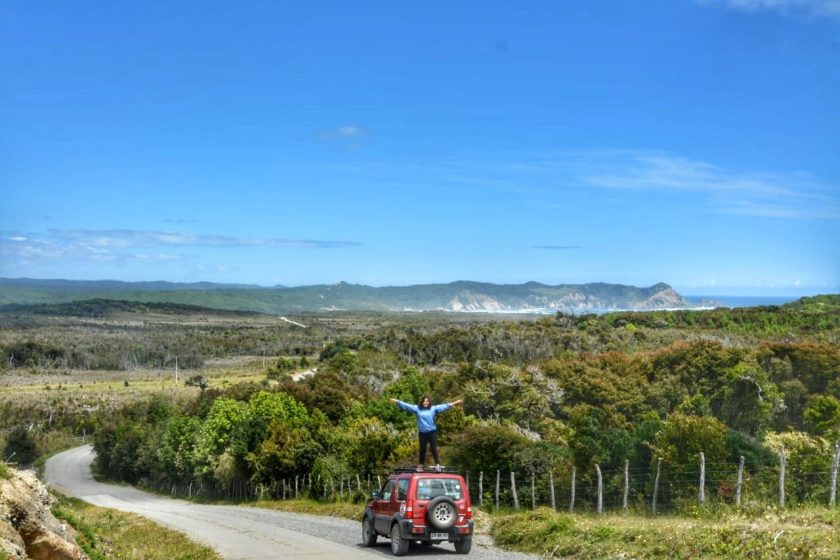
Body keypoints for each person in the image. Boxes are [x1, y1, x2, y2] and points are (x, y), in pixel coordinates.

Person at [390, 395, 463, 467]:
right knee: (422, 449)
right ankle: (421, 464)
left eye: (427, 401)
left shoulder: (433, 408)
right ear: (422, 402)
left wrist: (455, 402)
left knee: (433, 448)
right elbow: (408, 406)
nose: (425, 402)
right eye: (424, 401)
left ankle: (437, 464)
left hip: (432, 432)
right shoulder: (418, 409)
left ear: (429, 402)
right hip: (422, 433)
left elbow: (444, 406)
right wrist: (397, 401)